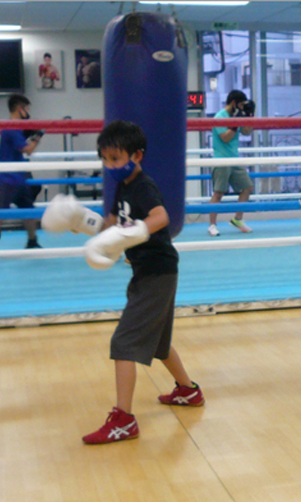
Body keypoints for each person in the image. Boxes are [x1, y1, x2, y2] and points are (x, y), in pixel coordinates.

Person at [81, 120, 205, 445]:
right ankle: (188, 392)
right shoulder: (121, 188)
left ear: (136, 155)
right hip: (149, 272)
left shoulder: (144, 186)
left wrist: (137, 230)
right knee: (159, 344)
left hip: (157, 272)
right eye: (105, 159)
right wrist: (81, 221)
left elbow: (161, 217)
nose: (110, 166)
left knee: (124, 343)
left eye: (116, 158)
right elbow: (111, 224)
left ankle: (123, 420)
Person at [208, 89, 256, 236]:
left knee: (247, 187)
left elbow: (247, 132)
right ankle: (212, 225)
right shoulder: (219, 117)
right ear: (234, 103)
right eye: (241, 105)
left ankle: (237, 219)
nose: (242, 108)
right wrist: (235, 123)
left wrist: (249, 116)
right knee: (219, 193)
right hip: (221, 159)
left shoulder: (238, 115)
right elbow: (225, 138)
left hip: (235, 159)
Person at [0, 94, 44, 248]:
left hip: (19, 176)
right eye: (27, 109)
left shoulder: (15, 128)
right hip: (7, 178)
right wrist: (38, 137)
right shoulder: (11, 128)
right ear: (20, 109)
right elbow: (28, 150)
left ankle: (32, 241)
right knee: (1, 214)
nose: (28, 113)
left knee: (29, 210)